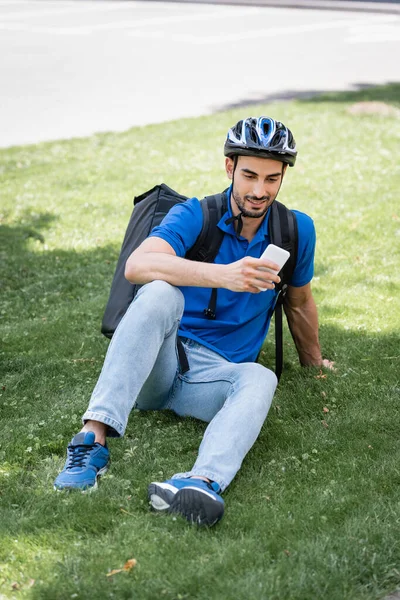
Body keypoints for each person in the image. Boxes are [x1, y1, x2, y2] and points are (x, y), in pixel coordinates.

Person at [54, 116, 333, 527]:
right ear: (229, 168)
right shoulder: (196, 214)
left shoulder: (295, 229)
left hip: (216, 378)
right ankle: (91, 440)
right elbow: (138, 264)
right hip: (160, 365)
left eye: (272, 178)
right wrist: (225, 274)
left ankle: (200, 482)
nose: (259, 191)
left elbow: (300, 300)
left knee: (260, 378)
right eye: (250, 175)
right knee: (159, 291)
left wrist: (313, 361)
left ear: (284, 175)